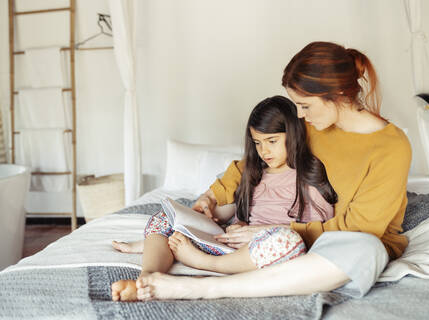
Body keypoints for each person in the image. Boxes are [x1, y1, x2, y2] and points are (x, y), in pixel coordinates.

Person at [135, 41, 412, 301]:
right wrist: (211, 196)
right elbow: (254, 164)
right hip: (292, 238)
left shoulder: (391, 147)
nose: (301, 116)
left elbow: (358, 229)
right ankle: (158, 270)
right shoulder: (315, 125)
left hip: (342, 244)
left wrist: (275, 230)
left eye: (305, 105)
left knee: (365, 248)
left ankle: (205, 288)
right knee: (181, 215)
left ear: (337, 94)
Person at [111, 95, 337, 301]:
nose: (264, 151)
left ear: (294, 134)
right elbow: (221, 210)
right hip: (230, 246)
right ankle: (147, 278)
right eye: (257, 143)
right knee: (163, 217)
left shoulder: (310, 177)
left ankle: (205, 264)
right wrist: (205, 209)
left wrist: (263, 230)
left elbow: (316, 233)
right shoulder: (251, 173)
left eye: (272, 141)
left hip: (265, 249)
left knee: (286, 241)